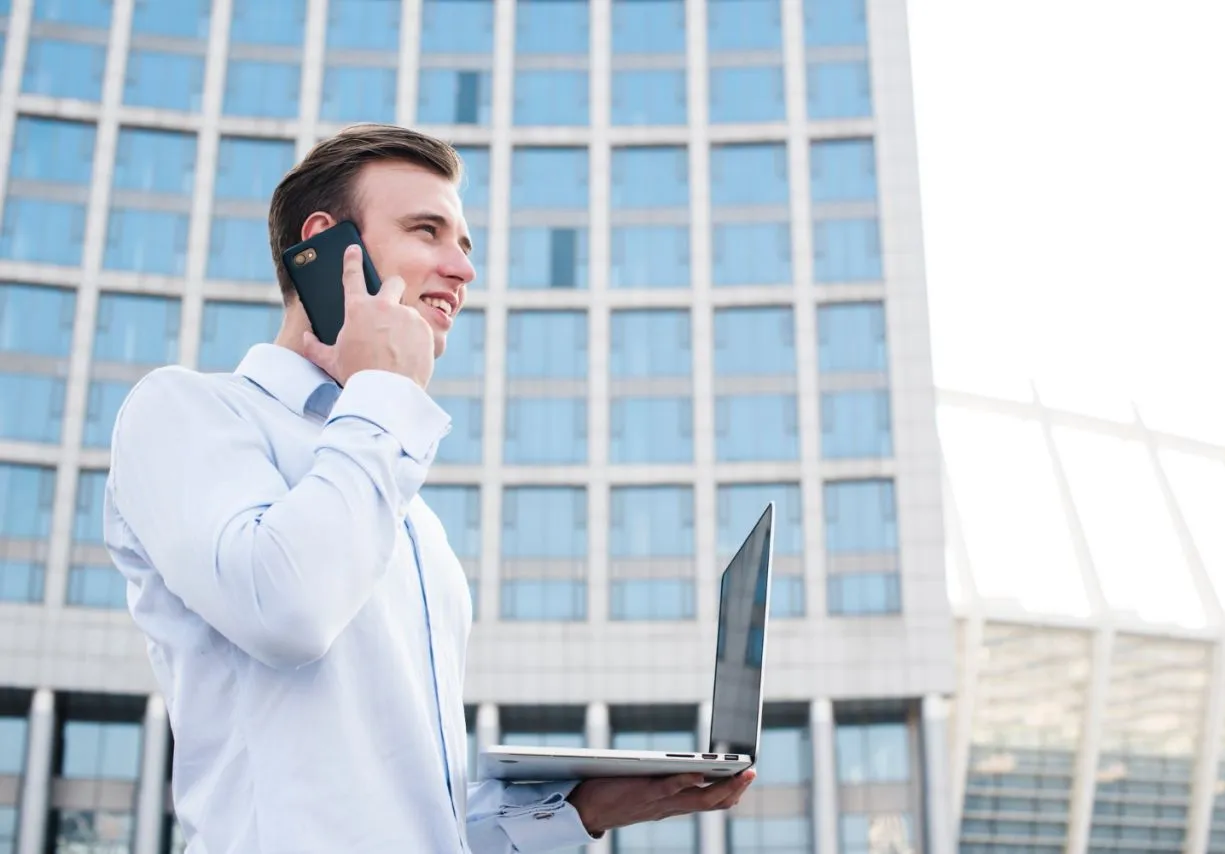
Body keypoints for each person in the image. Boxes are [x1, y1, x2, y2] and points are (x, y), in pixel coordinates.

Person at [103, 123, 754, 853]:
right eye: (428, 231)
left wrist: (585, 807)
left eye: (465, 245)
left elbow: (403, 812)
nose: (462, 268)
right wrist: (384, 387)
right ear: (329, 245)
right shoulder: (188, 411)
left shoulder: (408, 513)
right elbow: (286, 609)